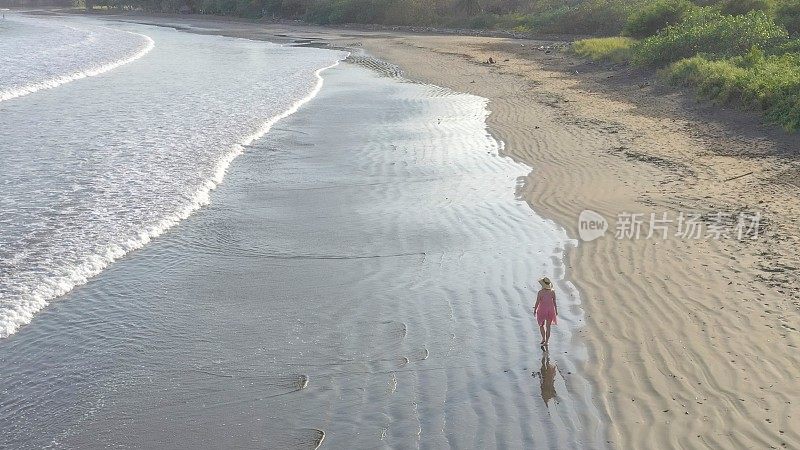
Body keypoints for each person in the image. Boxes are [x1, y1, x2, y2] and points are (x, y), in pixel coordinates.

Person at [533, 277, 557, 348]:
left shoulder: (540, 292)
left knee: (541, 325)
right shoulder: (552, 292)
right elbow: (554, 302)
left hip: (542, 310)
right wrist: (556, 310)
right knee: (548, 326)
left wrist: (535, 309)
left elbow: (537, 302)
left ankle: (543, 338)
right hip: (550, 310)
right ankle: (546, 341)